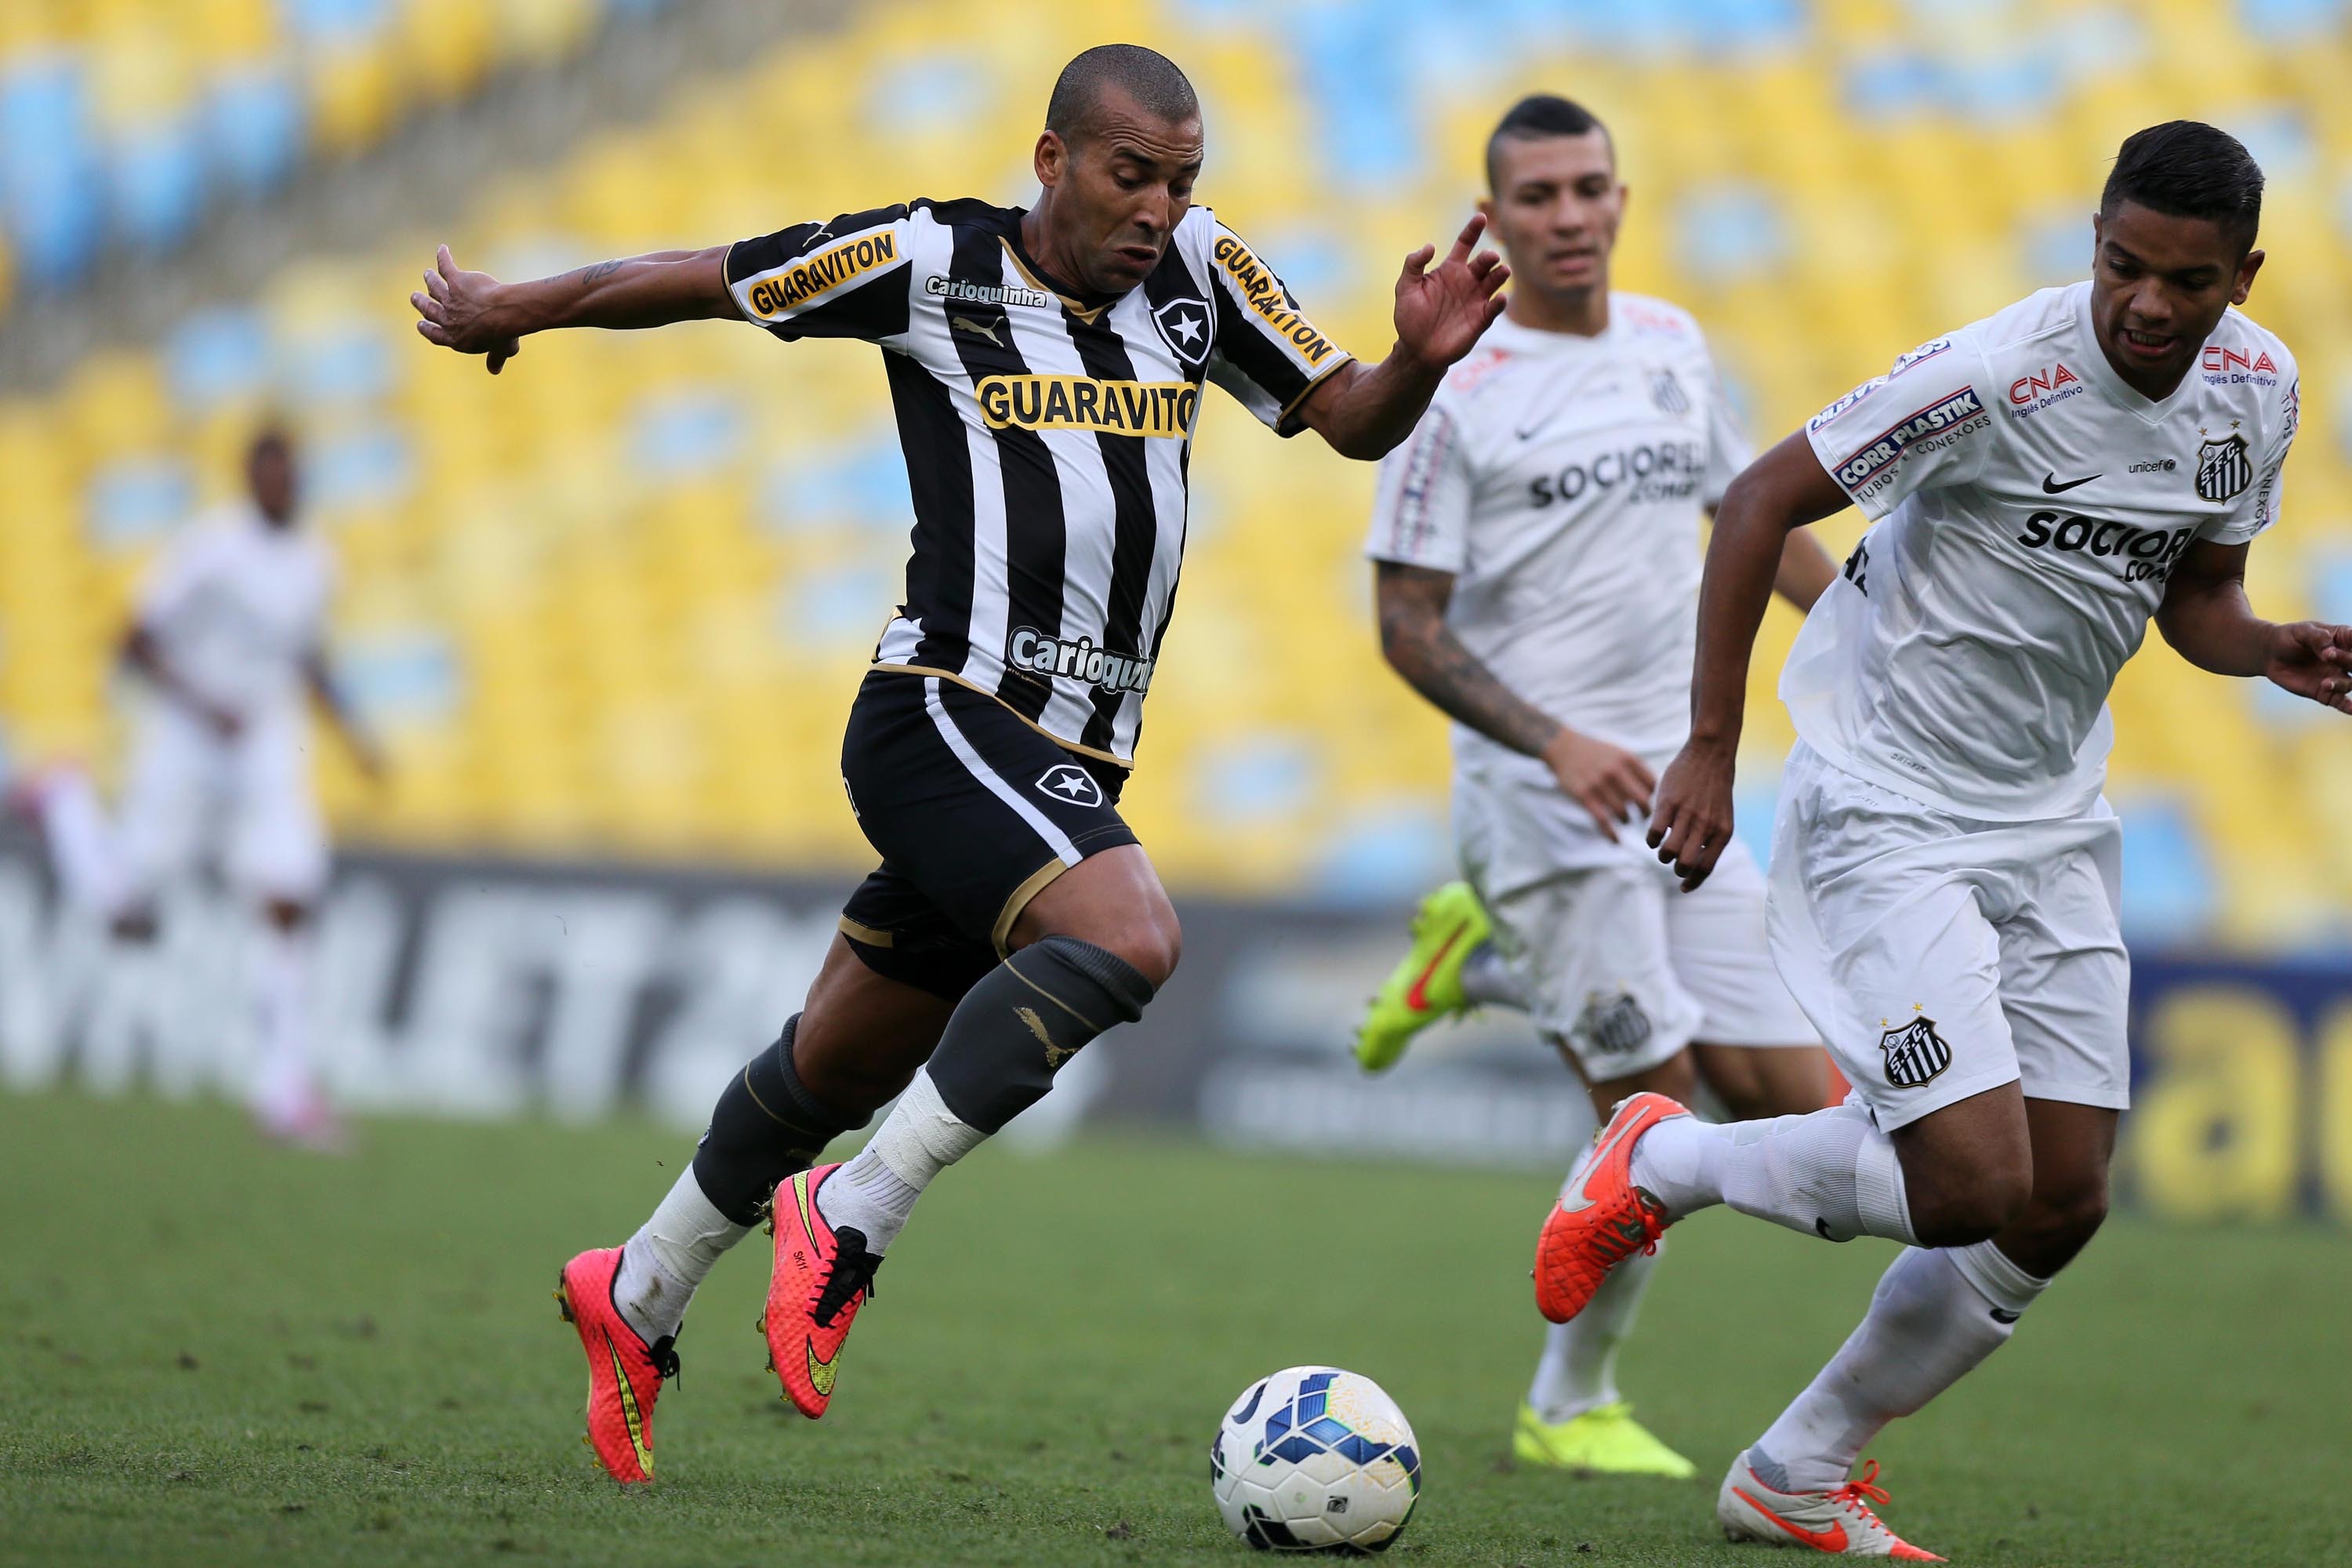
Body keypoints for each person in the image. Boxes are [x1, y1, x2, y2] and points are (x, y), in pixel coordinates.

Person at [412, 42, 1508, 1486]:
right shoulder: (931, 261)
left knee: (833, 1061)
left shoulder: (1206, 274)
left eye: (1183, 182)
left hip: (1076, 757)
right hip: (945, 708)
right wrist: (515, 308)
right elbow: (708, 276)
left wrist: (1417, 367)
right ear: (1051, 160)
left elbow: (1347, 421)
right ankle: (852, 1219)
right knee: (1131, 937)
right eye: (1133, 176)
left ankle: (638, 1288)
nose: (1159, 209)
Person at [1537, 121, 2350, 1557]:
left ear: (2245, 277)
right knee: (1969, 1184)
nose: (2149, 305)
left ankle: (1796, 1469)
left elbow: (2198, 596)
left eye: (2189, 280)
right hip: (1887, 799)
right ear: (2093, 240)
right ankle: (1664, 1164)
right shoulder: (1995, 377)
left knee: (2060, 1204)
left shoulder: (2257, 387)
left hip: (2050, 815)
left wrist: (2267, 645)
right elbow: (1758, 500)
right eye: (2123, 266)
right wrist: (1713, 751)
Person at [1355, 94, 1837, 1479]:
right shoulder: (1460, 389)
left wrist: (1867, 618)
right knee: (1654, 1114)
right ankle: (1569, 1403)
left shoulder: (1675, 348)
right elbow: (1405, 625)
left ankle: (1485, 968)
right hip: (1545, 805)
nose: (1569, 216)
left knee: (1789, 1106)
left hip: (1682, 790)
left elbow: (1749, 516)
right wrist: (1553, 738)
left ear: (1621, 199)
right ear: (1494, 220)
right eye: (1540, 196)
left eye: (1589, 188)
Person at [13, 428, 384, 1149]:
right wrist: (200, 704)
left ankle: (283, 1093)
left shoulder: (315, 560)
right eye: (269, 475)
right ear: (248, 479)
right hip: (188, 740)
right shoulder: (210, 550)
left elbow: (306, 655)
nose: (281, 487)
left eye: (290, 475)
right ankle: (65, 804)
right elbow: (133, 640)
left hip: (264, 740)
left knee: (289, 897)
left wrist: (353, 732)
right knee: (126, 914)